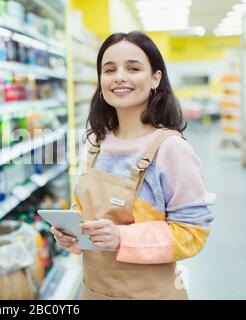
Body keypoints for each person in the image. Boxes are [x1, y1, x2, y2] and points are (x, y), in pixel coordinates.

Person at [50, 31, 216, 300]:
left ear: (155, 78)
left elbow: (193, 232)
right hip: (94, 292)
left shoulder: (170, 149)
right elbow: (85, 209)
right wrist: (72, 233)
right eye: (109, 69)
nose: (119, 77)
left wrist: (120, 237)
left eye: (133, 68)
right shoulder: (95, 143)